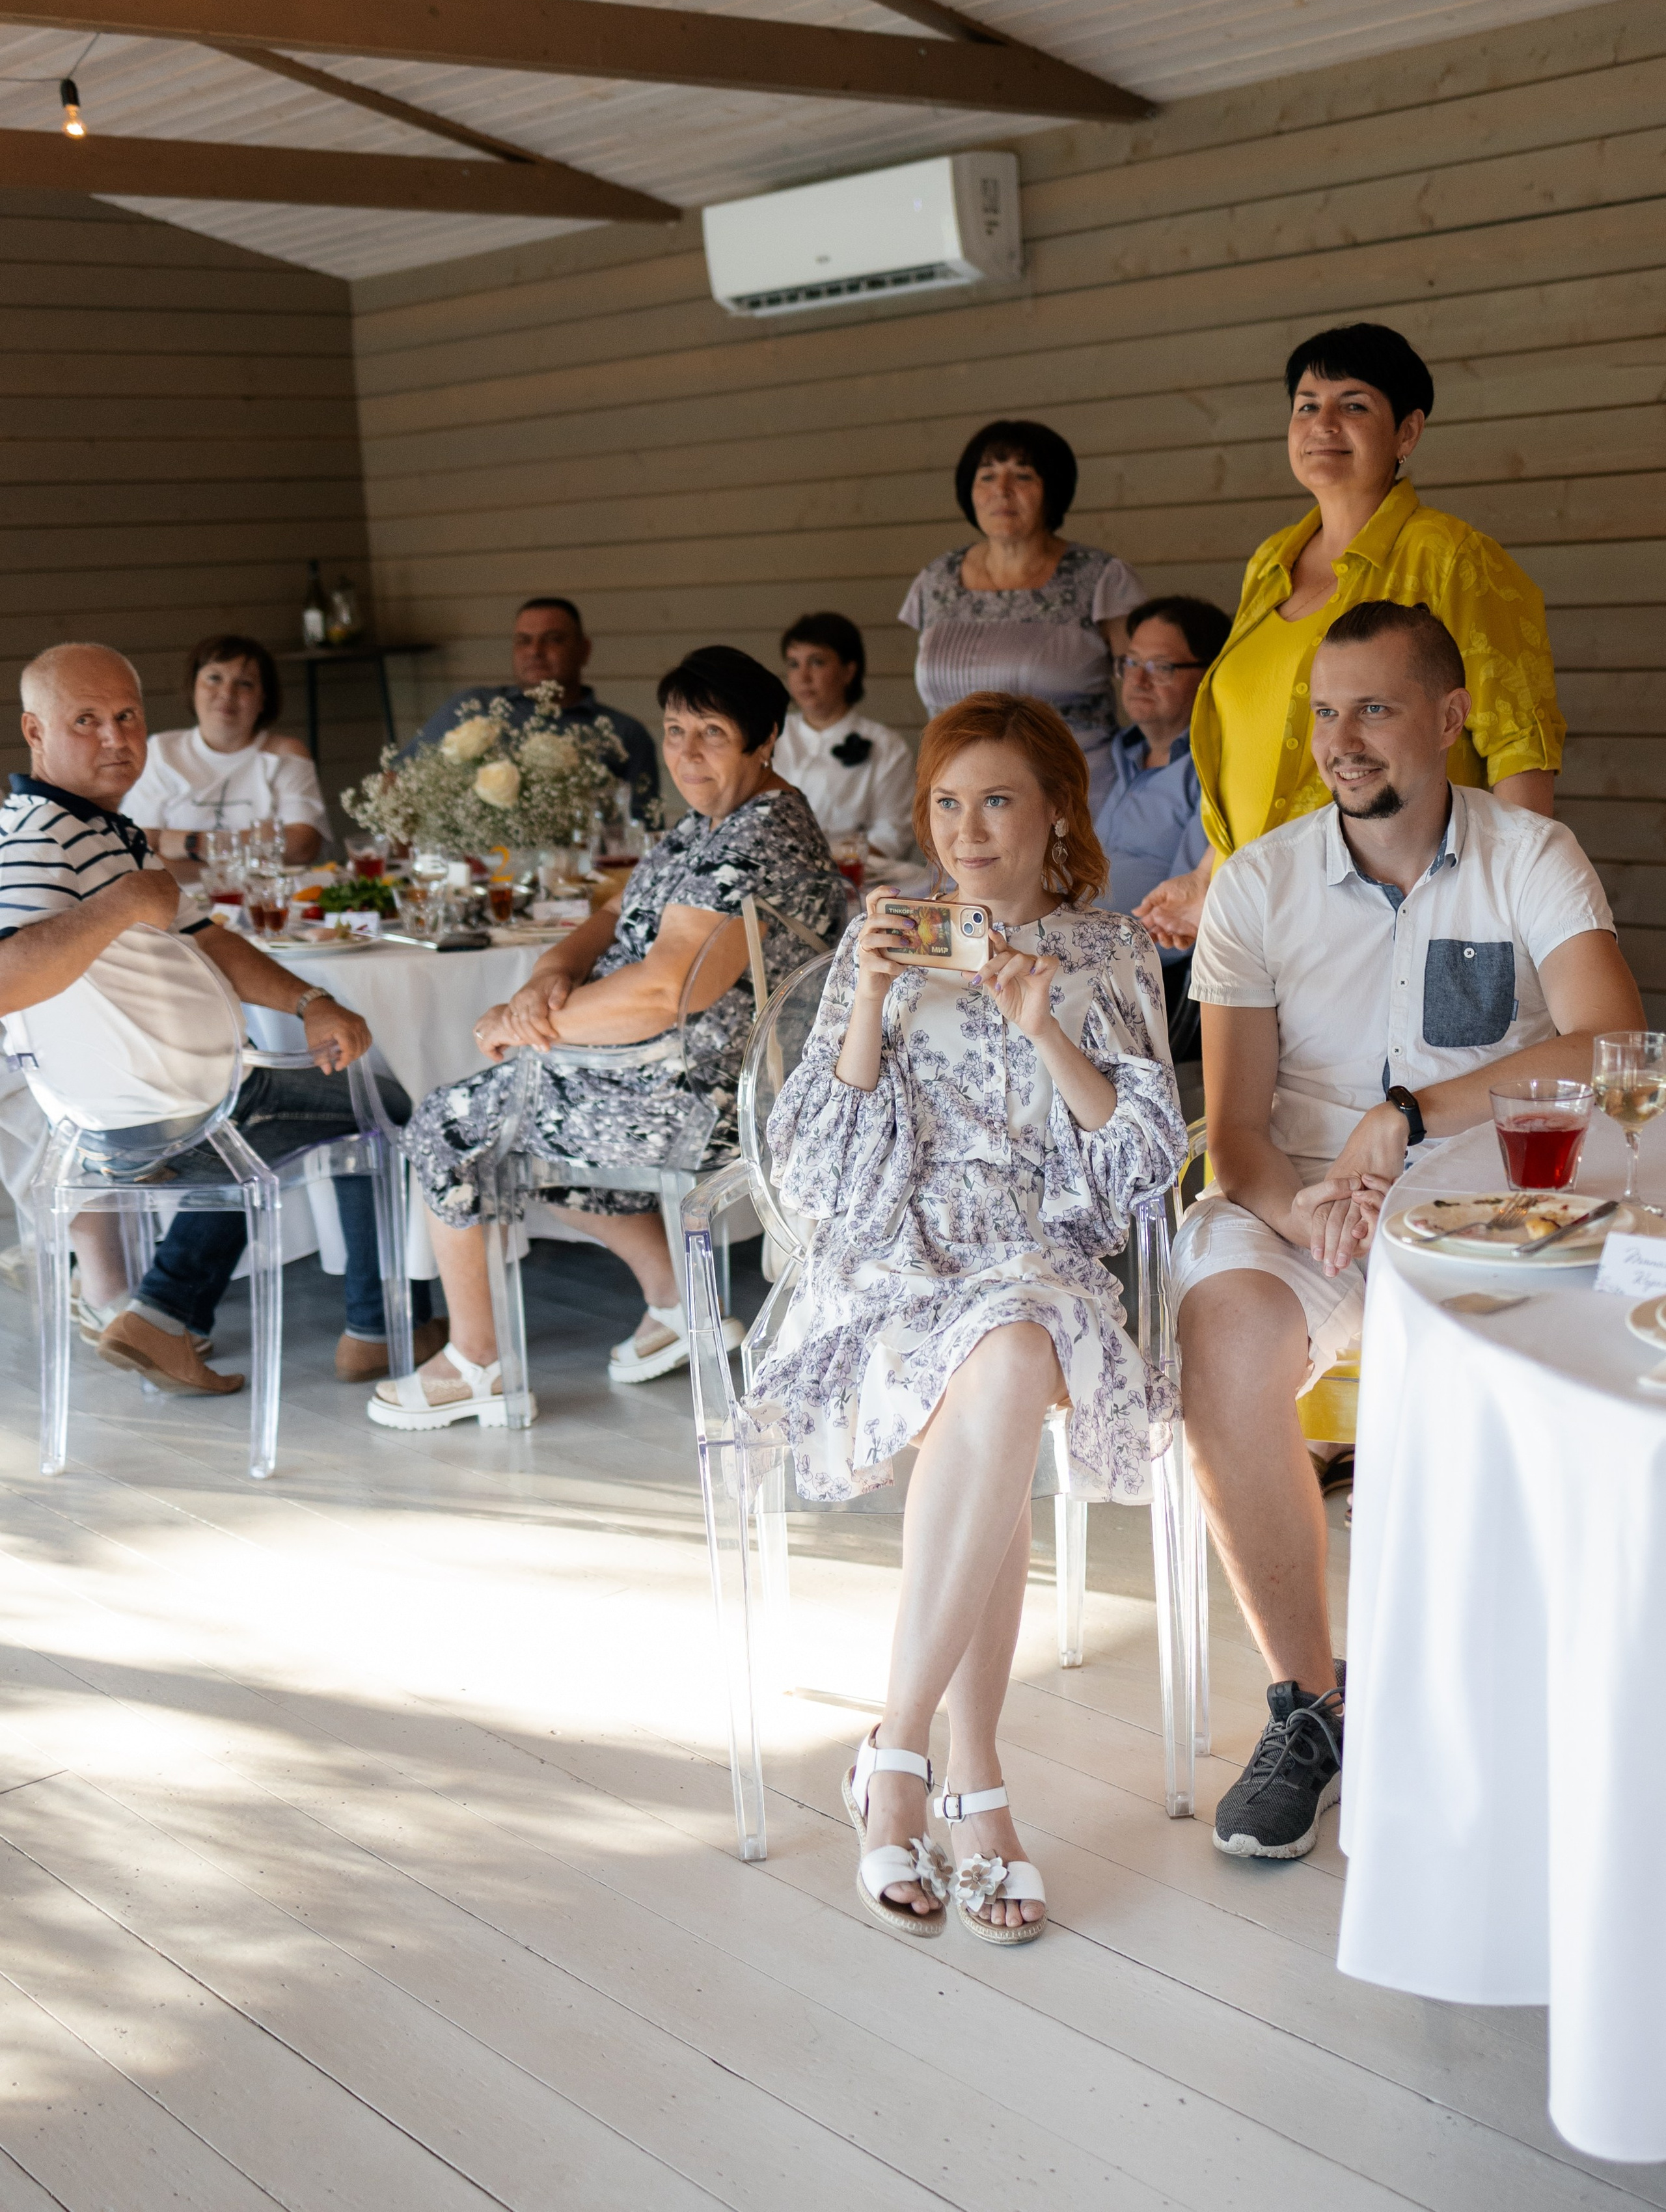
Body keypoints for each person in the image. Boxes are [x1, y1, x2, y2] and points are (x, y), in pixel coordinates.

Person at [1173, 599, 1643, 1863]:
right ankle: (1309, 1706)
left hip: (1495, 1202)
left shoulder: (1528, 855)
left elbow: (1609, 1042)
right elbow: (1233, 1129)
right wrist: (1303, 1207)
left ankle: (1523, 1708)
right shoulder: (1258, 884)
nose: (1342, 742)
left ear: (1447, 720)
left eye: (1373, 709)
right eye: (1325, 714)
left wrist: (1408, 1114)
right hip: (1301, 1203)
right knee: (1218, 1336)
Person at [750, 693, 1186, 1942]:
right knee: (997, 1372)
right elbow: (825, 1187)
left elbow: (1137, 1171)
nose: (968, 829)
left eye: (998, 799)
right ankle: (972, 1779)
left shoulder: (1105, 955)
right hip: (894, 1263)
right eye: (946, 802)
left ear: (1056, 809)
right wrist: (872, 1009)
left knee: (1013, 1340)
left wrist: (1047, 1029)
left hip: (1039, 1256)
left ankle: (895, 1756)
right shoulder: (881, 943)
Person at [372, 646, 844, 1429]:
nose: (687, 753)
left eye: (713, 734)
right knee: (517, 1116)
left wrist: (525, 1027)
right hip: (652, 1065)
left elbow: (667, 991)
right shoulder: (712, 824)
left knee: (447, 1123)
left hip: (693, 1087)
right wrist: (544, 980)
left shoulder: (755, 841)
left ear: (764, 741)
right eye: (675, 730)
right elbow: (609, 914)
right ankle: (674, 1305)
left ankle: (476, 1364)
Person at [0, 644, 439, 1392]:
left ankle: (165, 1317)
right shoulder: (40, 835)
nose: (115, 737)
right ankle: (377, 1327)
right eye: (87, 721)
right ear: (35, 732)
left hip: (184, 1099)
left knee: (316, 1104)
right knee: (388, 1105)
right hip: (163, 1114)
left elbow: (208, 936)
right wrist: (124, 904)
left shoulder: (109, 828)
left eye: (127, 716)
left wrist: (310, 1002)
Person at [1137, 324, 1564, 955]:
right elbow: (1257, 753)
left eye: (1354, 405)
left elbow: (1518, 748)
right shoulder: (1268, 563)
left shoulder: (1450, 558)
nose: (1322, 423)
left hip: (1396, 913)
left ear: (1407, 433)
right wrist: (1209, 879)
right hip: (1260, 910)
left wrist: (1501, 912)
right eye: (1307, 405)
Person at [899, 420, 1143, 813]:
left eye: (1023, 475)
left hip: (1071, 801)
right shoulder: (936, 580)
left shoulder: (1100, 578)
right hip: (958, 803)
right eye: (988, 476)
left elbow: (1148, 692)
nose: (1002, 490)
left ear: (1053, 490)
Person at [1093, 595, 1231, 1061]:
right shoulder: (1122, 755)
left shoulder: (1208, 770)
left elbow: (1178, 932)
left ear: (1210, 675)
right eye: (1129, 662)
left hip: (1143, 991)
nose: (1138, 678)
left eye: (1161, 666)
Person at [400, 595, 659, 820]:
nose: (535, 651)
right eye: (523, 641)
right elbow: (395, 780)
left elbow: (643, 830)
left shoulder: (624, 733)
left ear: (584, 650)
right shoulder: (472, 708)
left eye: (553, 640)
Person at [126, 634, 327, 868]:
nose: (227, 693)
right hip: (181, 901)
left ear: (263, 699)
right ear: (193, 688)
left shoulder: (285, 754)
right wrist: (256, 850)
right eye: (214, 678)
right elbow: (140, 855)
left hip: (270, 899)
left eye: (245, 684)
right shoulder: (162, 751)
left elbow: (302, 847)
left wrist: (193, 843)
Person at [774, 612, 915, 861]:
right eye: (794, 664)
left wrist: (830, 863)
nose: (803, 677)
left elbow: (893, 833)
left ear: (849, 671)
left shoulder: (886, 746)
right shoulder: (770, 736)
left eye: (817, 662)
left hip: (854, 877)